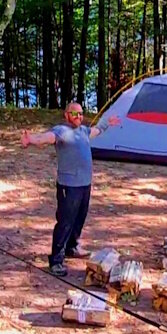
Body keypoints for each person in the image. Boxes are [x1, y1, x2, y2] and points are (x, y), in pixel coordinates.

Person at [21, 102, 122, 275]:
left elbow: (97, 130)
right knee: (65, 221)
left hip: (85, 184)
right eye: (75, 114)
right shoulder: (61, 131)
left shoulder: (83, 131)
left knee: (79, 218)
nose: (79, 117)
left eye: (81, 114)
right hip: (69, 186)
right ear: (67, 115)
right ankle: (56, 260)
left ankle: (72, 247)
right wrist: (31, 139)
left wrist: (107, 123)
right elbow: (45, 138)